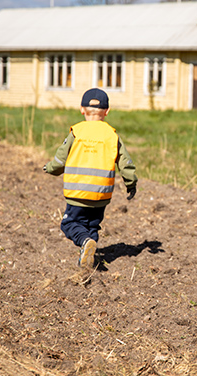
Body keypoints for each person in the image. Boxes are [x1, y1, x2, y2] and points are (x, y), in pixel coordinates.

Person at [43, 88, 138, 268]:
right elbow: (125, 163)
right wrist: (131, 184)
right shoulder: (112, 135)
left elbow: (60, 160)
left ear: (82, 109)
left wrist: (49, 168)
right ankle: (88, 258)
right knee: (92, 225)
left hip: (77, 191)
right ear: (107, 111)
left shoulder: (76, 131)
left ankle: (86, 242)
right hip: (101, 195)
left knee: (69, 223)